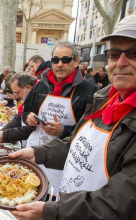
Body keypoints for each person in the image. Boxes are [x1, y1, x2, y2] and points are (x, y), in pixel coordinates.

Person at [10, 14, 136, 220]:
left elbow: (126, 202)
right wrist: (36, 153)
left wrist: (51, 209)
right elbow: (77, 145)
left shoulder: (92, 92)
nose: (120, 63)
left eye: (135, 52)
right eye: (113, 53)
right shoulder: (105, 98)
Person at [22, 41, 97, 195]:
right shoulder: (40, 85)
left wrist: (63, 131)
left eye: (66, 59)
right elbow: (27, 109)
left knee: (54, 199)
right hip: (35, 151)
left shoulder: (90, 90)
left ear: (76, 61)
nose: (59, 64)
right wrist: (28, 117)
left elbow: (91, 131)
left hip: (64, 160)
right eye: (55, 60)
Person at [0, 73, 37, 144]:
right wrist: (2, 132)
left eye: (17, 93)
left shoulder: (36, 101)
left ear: (28, 87)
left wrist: (4, 134)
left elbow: (29, 129)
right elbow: (19, 119)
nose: (17, 96)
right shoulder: (28, 100)